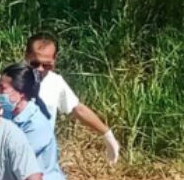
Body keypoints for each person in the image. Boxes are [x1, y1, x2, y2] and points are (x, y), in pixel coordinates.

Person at [12, 32, 121, 165]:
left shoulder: (56, 82)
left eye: (47, 65)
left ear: (55, 59)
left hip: (42, 157)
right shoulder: (8, 79)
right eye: (35, 63)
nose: (40, 69)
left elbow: (78, 109)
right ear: (26, 56)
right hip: (11, 153)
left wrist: (107, 135)